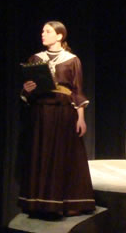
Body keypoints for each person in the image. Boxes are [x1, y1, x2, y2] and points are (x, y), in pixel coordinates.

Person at [19, 21, 95, 216]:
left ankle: (66, 204)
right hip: (41, 112)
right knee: (41, 155)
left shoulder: (72, 60)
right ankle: (39, 204)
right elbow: (28, 90)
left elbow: (77, 91)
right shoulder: (36, 58)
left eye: (48, 31)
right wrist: (27, 89)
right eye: (42, 31)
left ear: (59, 36)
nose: (43, 34)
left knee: (62, 157)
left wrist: (81, 118)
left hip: (63, 113)